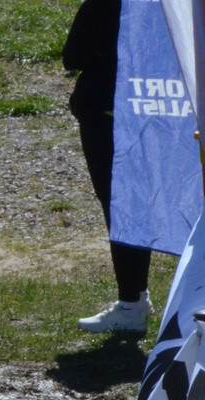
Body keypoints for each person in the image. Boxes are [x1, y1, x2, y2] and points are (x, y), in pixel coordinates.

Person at [65, 0, 154, 334]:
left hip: (108, 113)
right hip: (152, 110)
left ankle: (131, 305)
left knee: (121, 208)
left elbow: (73, 55)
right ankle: (137, 298)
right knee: (137, 206)